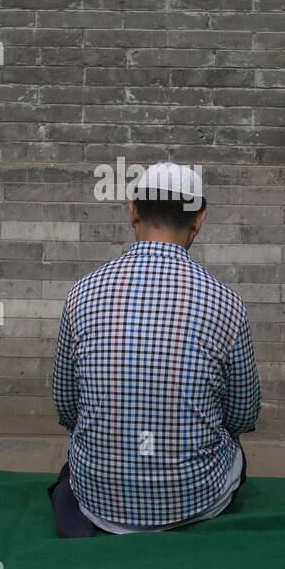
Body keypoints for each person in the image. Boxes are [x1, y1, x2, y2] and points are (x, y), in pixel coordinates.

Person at [48, 162, 261, 537]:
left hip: (98, 501)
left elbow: (66, 406)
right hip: (197, 499)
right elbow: (243, 416)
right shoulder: (228, 303)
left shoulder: (82, 293)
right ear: (200, 219)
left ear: (132, 210)